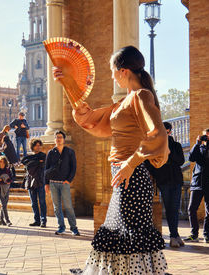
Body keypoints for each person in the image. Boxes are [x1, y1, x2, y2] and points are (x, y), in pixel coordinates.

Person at [58, 46, 169, 273]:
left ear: (124, 71)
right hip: (126, 179)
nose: (111, 76)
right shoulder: (128, 100)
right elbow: (91, 119)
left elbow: (158, 134)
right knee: (120, 236)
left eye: (112, 71)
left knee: (127, 237)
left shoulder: (141, 96)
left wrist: (130, 164)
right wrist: (67, 84)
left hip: (132, 178)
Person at [146, 121, 185, 248]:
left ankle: (175, 235)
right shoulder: (155, 145)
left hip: (177, 181)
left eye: (166, 130)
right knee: (169, 208)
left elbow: (181, 161)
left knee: (175, 208)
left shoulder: (176, 145)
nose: (164, 132)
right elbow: (150, 164)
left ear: (169, 131)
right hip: (164, 181)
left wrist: (168, 152)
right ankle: (174, 236)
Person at [185, 128, 209, 244]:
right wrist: (197, 143)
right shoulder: (198, 148)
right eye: (205, 135)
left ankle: (207, 235)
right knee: (191, 209)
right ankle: (194, 234)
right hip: (197, 183)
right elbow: (191, 158)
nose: (207, 137)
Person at [44, 131, 79, 236]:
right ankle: (61, 227)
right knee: (57, 207)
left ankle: (74, 228)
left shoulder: (69, 152)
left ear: (63, 139)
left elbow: (74, 167)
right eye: (57, 137)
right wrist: (46, 184)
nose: (58, 139)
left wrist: (68, 180)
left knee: (68, 206)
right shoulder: (51, 153)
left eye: (60, 137)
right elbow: (46, 169)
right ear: (54, 139)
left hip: (64, 184)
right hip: (53, 183)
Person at [22, 138, 47, 227]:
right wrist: (37, 162)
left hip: (40, 181)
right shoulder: (28, 156)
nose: (38, 147)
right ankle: (36, 220)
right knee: (34, 203)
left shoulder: (43, 156)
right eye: (36, 145)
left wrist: (34, 162)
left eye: (39, 145)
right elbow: (25, 163)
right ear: (33, 146)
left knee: (42, 201)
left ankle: (43, 220)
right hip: (31, 182)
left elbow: (44, 165)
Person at [0, 156, 13, 226]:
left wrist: (6, 180)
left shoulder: (8, 170)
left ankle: (1, 220)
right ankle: (7, 220)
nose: (2, 163)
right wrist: (4, 180)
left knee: (4, 205)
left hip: (7, 188)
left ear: (5, 162)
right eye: (0, 161)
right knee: (4, 204)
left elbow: (11, 178)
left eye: (3, 161)